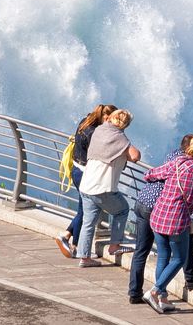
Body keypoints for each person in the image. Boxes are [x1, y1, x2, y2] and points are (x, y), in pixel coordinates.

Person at [127, 137, 193, 305]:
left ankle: (161, 298)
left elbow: (150, 174)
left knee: (161, 256)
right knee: (179, 258)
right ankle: (155, 291)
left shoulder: (176, 161)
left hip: (157, 214)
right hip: (176, 219)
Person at [75, 108, 141, 268]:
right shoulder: (119, 137)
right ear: (125, 124)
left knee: (88, 222)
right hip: (102, 188)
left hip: (86, 185)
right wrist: (126, 147)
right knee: (122, 210)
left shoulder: (99, 130)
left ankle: (84, 257)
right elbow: (135, 156)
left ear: (110, 118)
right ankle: (114, 246)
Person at [56, 103, 116, 257]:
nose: (112, 123)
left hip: (76, 170)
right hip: (84, 174)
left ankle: (66, 236)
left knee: (83, 210)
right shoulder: (93, 133)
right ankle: (77, 247)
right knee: (85, 211)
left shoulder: (85, 121)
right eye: (111, 120)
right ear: (105, 117)